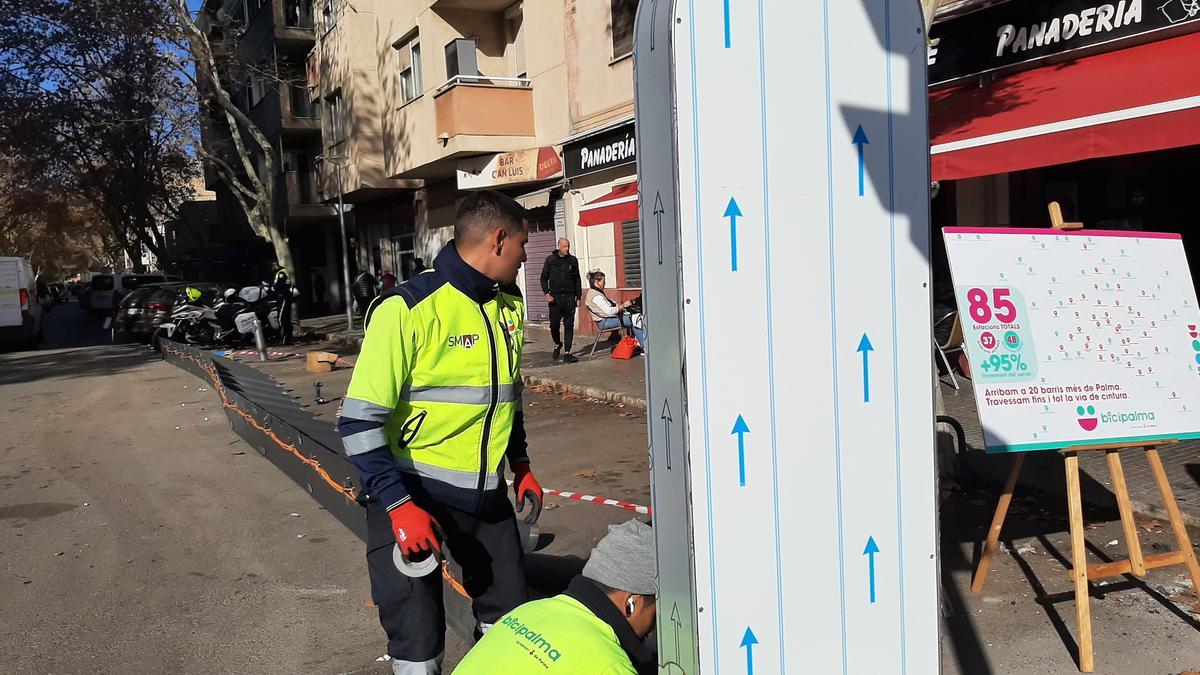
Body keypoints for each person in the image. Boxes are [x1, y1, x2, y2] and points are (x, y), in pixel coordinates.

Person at [338, 190, 544, 675]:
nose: (524, 256)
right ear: (498, 240)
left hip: (485, 494)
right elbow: (358, 422)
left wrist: (522, 465)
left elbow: (505, 397)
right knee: (419, 639)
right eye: (521, 244)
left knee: (511, 623)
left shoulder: (507, 304)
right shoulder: (407, 308)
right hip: (413, 494)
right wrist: (398, 506)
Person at [454, 519, 657, 675]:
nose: (653, 628)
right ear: (632, 602)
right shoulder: (610, 666)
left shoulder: (527, 611)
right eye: (655, 614)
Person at [540, 238, 582, 363]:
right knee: (554, 325)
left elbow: (577, 279)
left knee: (569, 325)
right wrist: (546, 293)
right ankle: (558, 343)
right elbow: (543, 278)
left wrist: (578, 297)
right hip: (555, 298)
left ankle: (568, 352)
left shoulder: (573, 260)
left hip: (569, 297)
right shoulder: (550, 260)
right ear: (558, 246)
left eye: (568, 246)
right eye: (564, 246)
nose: (567, 249)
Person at [584, 271, 646, 350]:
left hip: (607, 319)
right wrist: (623, 306)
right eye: (603, 281)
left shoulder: (596, 292)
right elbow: (609, 311)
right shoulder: (596, 296)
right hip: (605, 322)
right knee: (635, 319)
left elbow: (611, 304)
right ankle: (644, 347)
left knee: (634, 318)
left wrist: (622, 307)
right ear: (597, 282)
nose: (605, 283)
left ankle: (640, 343)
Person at [270, 261, 294, 344]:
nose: (272, 269)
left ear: (275, 266)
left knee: (282, 318)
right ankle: (286, 338)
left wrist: (272, 288)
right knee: (285, 318)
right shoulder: (280, 272)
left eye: (272, 267)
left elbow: (279, 284)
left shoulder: (281, 273)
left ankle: (284, 339)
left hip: (284, 297)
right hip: (283, 297)